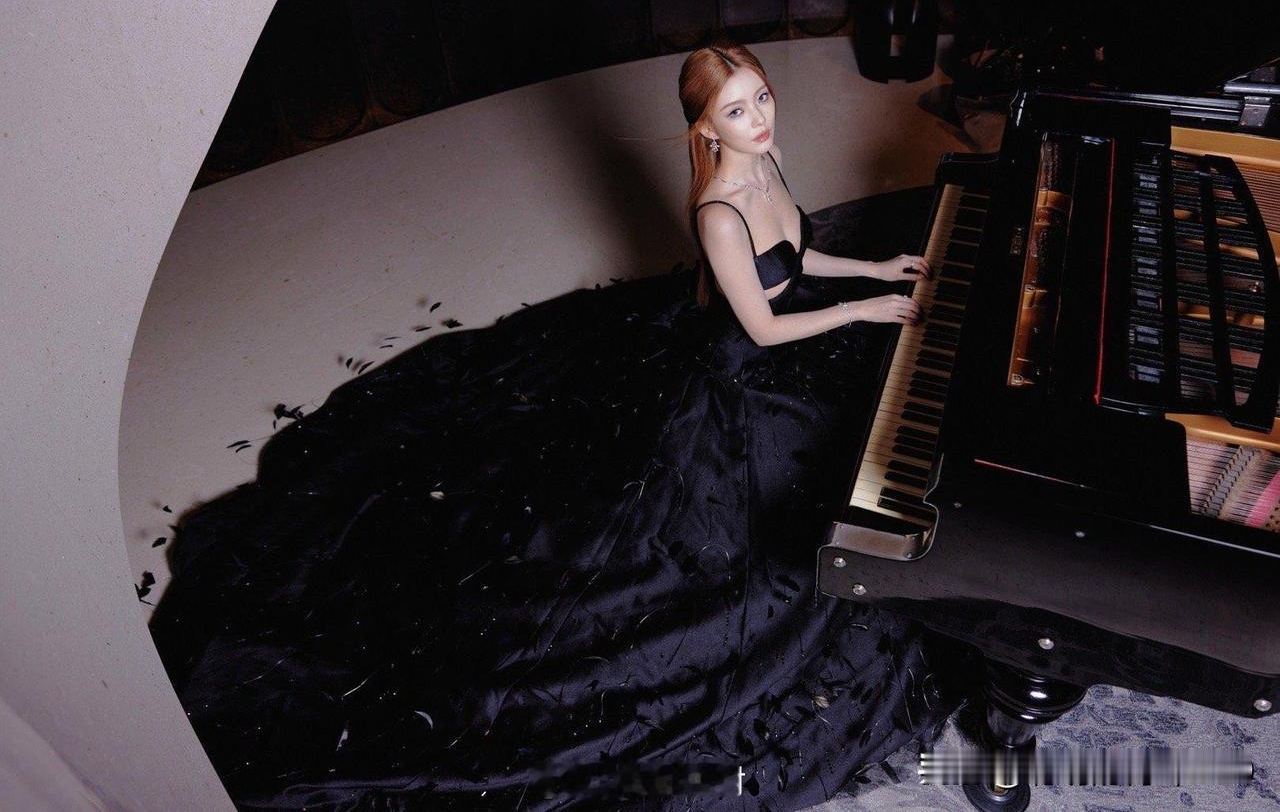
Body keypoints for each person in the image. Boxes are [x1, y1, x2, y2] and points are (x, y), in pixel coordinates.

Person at [148, 41, 964, 812]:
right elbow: (762, 326)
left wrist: (872, 268)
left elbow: (798, 254)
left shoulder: (769, 159)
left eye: (761, 98)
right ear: (705, 128)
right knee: (760, 540)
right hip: (744, 376)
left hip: (793, 343)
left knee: (888, 421)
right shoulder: (719, 213)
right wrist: (862, 310)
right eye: (737, 111)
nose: (759, 119)